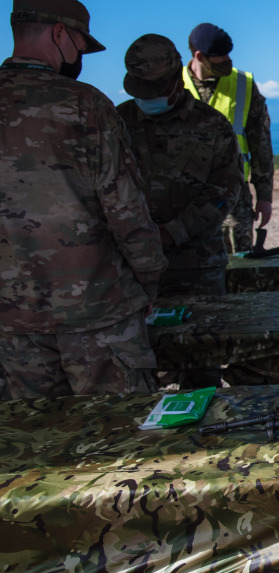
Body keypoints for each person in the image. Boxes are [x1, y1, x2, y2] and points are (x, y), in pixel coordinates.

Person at [0, 0, 168, 399]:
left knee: (38, 448)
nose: (78, 58)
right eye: (79, 45)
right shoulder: (85, 105)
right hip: (99, 314)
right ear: (60, 33)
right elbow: (126, 211)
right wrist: (149, 281)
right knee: (122, 446)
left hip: (12, 325)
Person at [118, 34, 244, 389]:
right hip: (131, 269)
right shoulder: (115, 123)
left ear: (175, 80)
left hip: (196, 265)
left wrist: (172, 232)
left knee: (201, 364)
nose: (147, 98)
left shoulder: (211, 126)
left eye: (154, 88)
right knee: (134, 362)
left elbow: (224, 193)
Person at [184, 22, 273, 252]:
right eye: (220, 57)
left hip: (234, 195)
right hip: (185, 195)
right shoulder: (173, 85)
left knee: (239, 266)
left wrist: (264, 195)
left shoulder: (244, 84)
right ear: (199, 56)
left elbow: (260, 143)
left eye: (228, 54)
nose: (228, 61)